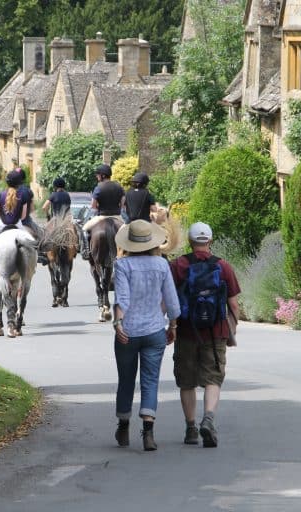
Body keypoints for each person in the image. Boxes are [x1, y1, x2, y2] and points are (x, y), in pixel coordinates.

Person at [170, 222, 241, 448]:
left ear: (190, 242)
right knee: (213, 378)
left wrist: (171, 327)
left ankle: (190, 428)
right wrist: (232, 329)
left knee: (187, 381)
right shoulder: (223, 266)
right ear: (210, 241)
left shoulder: (178, 266)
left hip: (187, 330)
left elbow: (171, 302)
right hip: (215, 332)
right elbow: (234, 305)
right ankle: (208, 418)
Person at [112, 220, 180, 451]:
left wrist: (118, 322)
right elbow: (171, 300)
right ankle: (148, 432)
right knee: (150, 381)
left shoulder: (122, 265)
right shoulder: (162, 265)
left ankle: (123, 425)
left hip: (129, 331)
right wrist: (172, 325)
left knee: (126, 379)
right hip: (154, 330)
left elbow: (122, 297)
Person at [80, 164, 125, 259]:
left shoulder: (99, 187)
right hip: (117, 216)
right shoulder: (119, 187)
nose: (97, 177)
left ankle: (86, 250)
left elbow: (93, 206)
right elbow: (123, 204)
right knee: (128, 231)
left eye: (98, 175)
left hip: (102, 217)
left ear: (103, 175)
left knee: (84, 229)